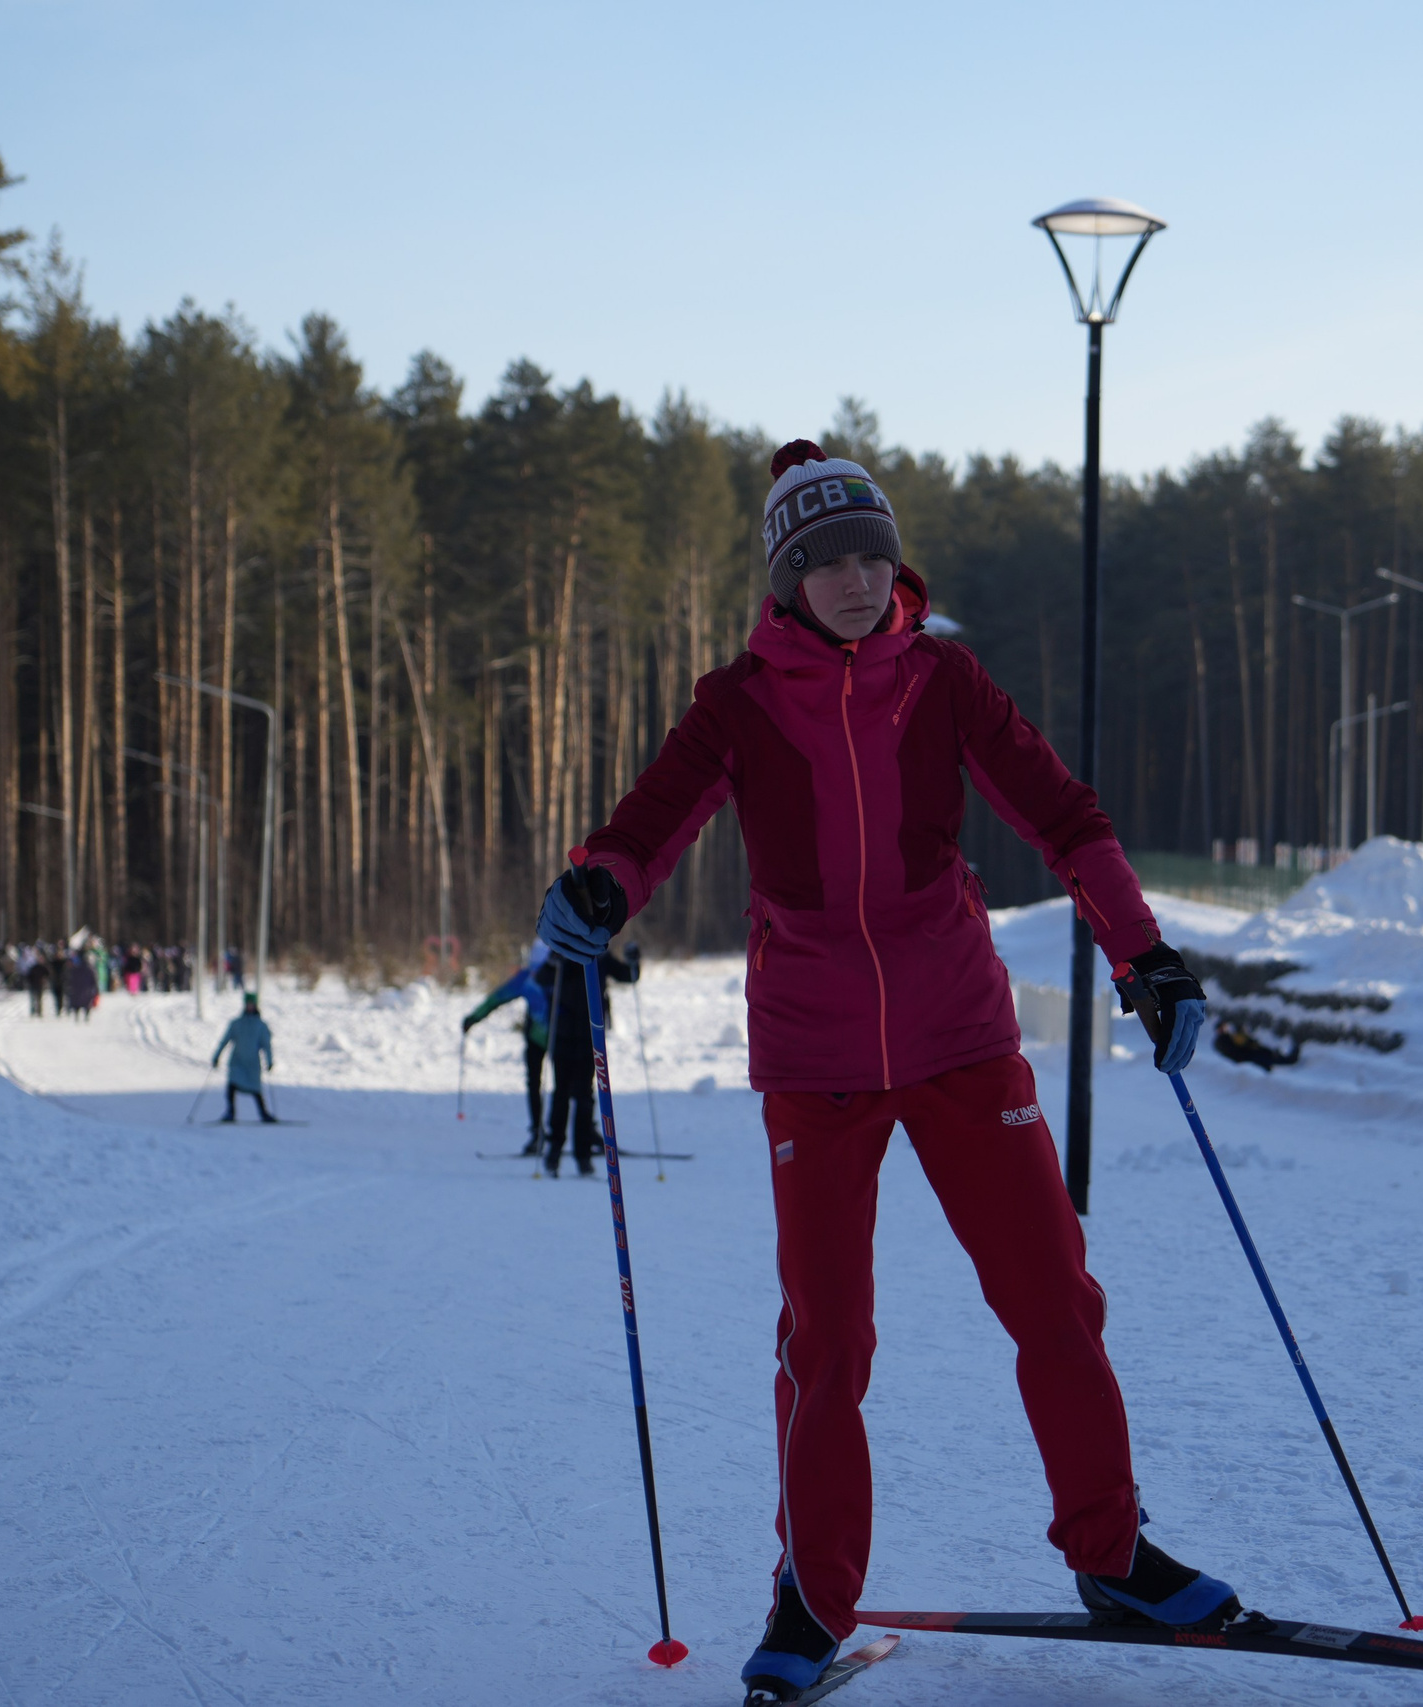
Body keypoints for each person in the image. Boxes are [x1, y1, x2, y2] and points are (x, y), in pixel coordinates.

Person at [537, 440, 1227, 1703]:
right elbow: (643, 832)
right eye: (824, 561)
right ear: (784, 580)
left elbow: (1065, 818)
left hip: (962, 1035)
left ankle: (1112, 1550)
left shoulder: (944, 681)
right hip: (817, 1059)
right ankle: (810, 1601)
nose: (856, 580)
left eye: (871, 554)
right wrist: (597, 886)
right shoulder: (733, 703)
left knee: (1052, 1299)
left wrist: (1147, 957)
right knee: (827, 1340)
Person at [535, 941, 638, 1176]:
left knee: (584, 1096)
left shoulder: (599, 954)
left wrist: (634, 960)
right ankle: (554, 1153)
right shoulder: (563, 949)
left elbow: (628, 975)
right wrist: (552, 965)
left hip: (591, 1037)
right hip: (563, 1035)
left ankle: (583, 1156)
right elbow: (542, 978)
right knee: (561, 1093)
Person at [462, 939, 553, 1154]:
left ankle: (546, 1134)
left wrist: (474, 1018)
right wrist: (474, 1018)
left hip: (552, 1036)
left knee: (547, 1086)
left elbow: (496, 999)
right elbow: (498, 998)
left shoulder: (537, 976)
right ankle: (544, 1133)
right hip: (547, 1037)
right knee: (553, 1087)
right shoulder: (535, 976)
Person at [210, 992, 277, 1122]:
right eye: (248, 1004)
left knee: (256, 1089)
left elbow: (266, 1045)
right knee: (232, 1086)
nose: (250, 1007)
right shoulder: (236, 1023)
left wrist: (269, 1061)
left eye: (252, 1004)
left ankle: (264, 1114)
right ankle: (230, 1112)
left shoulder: (261, 1026)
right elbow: (225, 1040)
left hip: (252, 1063)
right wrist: (217, 1056)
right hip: (237, 1061)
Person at [66, 949, 99, 1021]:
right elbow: (94, 980)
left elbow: (71, 979)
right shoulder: (90, 968)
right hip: (86, 989)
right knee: (86, 1003)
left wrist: (70, 986)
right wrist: (96, 989)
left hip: (78, 988)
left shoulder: (75, 968)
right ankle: (86, 1016)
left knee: (77, 1002)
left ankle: (77, 1016)